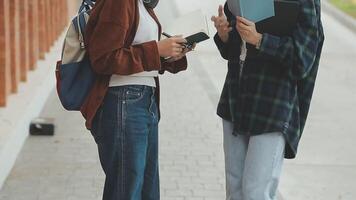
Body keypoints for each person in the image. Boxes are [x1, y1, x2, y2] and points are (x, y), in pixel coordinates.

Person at [211, 0, 324, 199]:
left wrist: (261, 40)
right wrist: (225, 35)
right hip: (235, 99)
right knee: (234, 190)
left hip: (272, 105)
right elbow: (233, 51)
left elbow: (303, 60)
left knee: (256, 192)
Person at [82, 0, 192, 199]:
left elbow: (138, 55)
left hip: (144, 100)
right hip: (123, 100)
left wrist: (169, 54)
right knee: (127, 189)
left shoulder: (143, 5)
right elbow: (103, 57)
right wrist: (157, 50)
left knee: (146, 189)